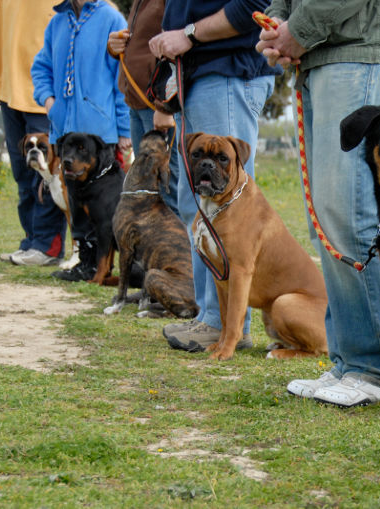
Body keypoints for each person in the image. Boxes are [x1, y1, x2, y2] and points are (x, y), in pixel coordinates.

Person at [255, 1, 380, 407]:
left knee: (350, 216)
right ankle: (350, 362)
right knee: (327, 220)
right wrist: (278, 21)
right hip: (322, 54)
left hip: (361, 50)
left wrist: (299, 29)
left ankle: (377, 368)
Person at [151, 0, 278, 352]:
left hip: (225, 71)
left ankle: (225, 326)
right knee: (198, 206)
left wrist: (188, 33)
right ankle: (212, 317)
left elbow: (254, 4)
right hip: (198, 72)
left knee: (230, 211)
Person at [31, 0, 132, 282]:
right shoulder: (56, 23)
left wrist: (124, 129)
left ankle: (115, 269)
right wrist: (49, 101)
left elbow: (121, 78)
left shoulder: (112, 18)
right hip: (64, 131)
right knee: (75, 205)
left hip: (101, 137)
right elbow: (41, 68)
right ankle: (84, 262)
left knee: (105, 210)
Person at [0, 0, 67, 267]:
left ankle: (47, 246)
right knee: (21, 172)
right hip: (8, 87)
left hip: (44, 93)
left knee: (45, 175)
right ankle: (30, 241)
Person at [107, 0, 181, 217]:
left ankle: (178, 250)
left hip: (157, 105)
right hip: (137, 103)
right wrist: (115, 47)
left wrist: (165, 106)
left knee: (168, 191)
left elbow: (178, 48)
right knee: (148, 188)